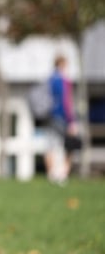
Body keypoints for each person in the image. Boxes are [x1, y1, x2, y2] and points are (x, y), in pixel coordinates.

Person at [45, 54, 78, 185]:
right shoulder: (64, 81)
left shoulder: (50, 80)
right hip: (61, 117)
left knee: (51, 145)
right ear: (62, 64)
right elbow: (67, 102)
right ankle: (63, 173)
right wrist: (72, 121)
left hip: (49, 116)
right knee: (68, 145)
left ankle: (52, 174)